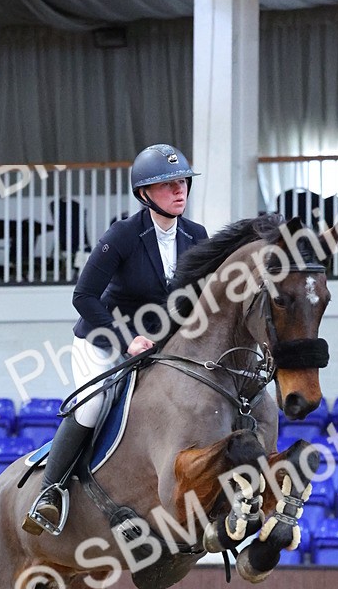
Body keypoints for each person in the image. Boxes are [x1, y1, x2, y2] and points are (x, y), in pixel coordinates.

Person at [23, 143, 209, 534]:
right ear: (144, 194)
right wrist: (126, 339)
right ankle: (50, 492)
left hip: (158, 348)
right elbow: (83, 297)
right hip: (104, 340)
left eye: (183, 183)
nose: (180, 191)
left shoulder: (196, 235)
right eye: (168, 185)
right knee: (93, 408)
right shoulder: (123, 235)